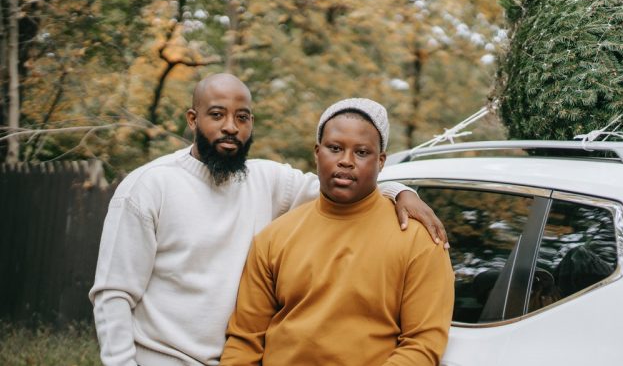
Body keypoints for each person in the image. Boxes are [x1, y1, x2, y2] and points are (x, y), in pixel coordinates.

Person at [89, 75, 448, 366]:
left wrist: (402, 191)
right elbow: (113, 294)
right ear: (192, 119)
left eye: (242, 117)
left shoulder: (266, 179)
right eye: (217, 114)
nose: (231, 127)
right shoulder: (150, 186)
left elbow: (345, 186)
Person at [221, 98, 455, 366]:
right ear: (317, 152)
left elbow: (422, 344)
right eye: (335, 148)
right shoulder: (273, 237)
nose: (346, 161)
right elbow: (244, 342)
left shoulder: (419, 239)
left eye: (362, 152)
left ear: (381, 162)